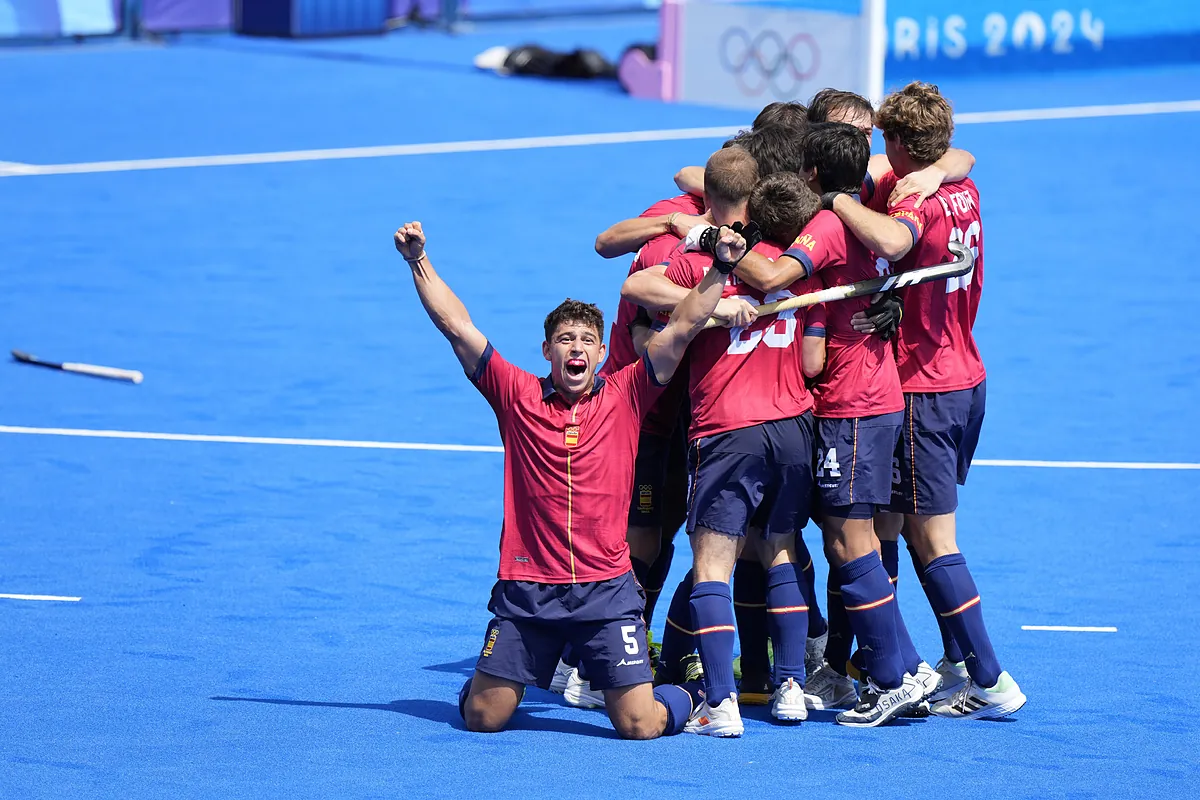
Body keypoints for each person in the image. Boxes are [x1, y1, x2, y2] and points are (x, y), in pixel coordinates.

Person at [391, 214, 748, 739]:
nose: (576, 348)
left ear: (602, 353)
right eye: (564, 339)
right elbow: (457, 326)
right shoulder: (515, 396)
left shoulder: (628, 392)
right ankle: (490, 682)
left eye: (586, 340)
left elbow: (682, 326)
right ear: (547, 352)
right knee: (483, 719)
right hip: (528, 591)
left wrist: (720, 268)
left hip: (605, 593)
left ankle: (683, 694)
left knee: (639, 725)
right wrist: (417, 260)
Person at [826, 81, 1026, 720]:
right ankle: (938, 663)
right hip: (966, 379)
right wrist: (935, 163)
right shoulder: (959, 185)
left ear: (901, 142)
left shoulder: (921, 205)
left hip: (922, 390)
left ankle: (989, 680)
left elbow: (891, 242)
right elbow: (959, 157)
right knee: (901, 529)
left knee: (930, 539)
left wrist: (832, 198)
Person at [723, 123, 932, 726]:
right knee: (852, 537)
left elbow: (770, 280)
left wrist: (717, 244)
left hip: (853, 404)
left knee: (848, 541)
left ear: (812, 173)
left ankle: (894, 675)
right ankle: (906, 666)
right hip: (871, 397)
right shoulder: (867, 208)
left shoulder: (830, 223)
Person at [622, 158, 823, 735]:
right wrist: (723, 307)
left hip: (727, 429)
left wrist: (708, 297)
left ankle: (721, 701)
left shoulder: (701, 261)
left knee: (713, 563)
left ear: (706, 198)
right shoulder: (786, 263)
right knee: (780, 547)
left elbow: (634, 285)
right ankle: (790, 688)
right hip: (792, 425)